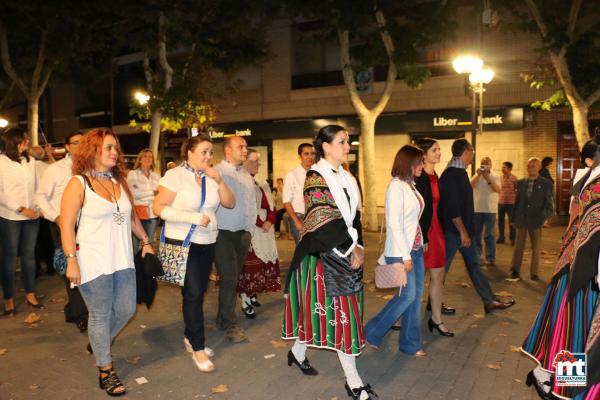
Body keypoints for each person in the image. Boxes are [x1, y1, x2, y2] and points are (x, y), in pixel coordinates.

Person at [282, 125, 374, 400]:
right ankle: (353, 382)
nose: (348, 147)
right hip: (323, 257)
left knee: (323, 313)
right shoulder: (315, 177)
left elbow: (354, 216)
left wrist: (359, 245)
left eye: (349, 142)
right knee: (343, 318)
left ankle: (298, 353)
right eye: (343, 142)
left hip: (343, 253)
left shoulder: (346, 176)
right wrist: (351, 249)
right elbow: (324, 222)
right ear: (326, 145)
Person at [60, 128, 154, 396]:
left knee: (126, 310)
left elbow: (131, 216)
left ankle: (98, 341)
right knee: (100, 316)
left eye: (116, 147)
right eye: (109, 147)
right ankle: (106, 371)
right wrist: (71, 260)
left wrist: (145, 240)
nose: (115, 152)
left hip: (123, 259)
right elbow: (66, 225)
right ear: (93, 151)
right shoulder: (78, 183)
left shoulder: (119, 181)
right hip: (93, 260)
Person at [520, 142, 599, 399]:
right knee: (574, 329)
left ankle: (544, 375)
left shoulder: (585, 182)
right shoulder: (591, 185)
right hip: (581, 272)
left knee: (566, 327)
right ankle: (561, 388)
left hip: (573, 268)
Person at [153, 135, 234, 373]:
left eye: (211, 152)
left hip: (208, 241)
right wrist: (192, 218)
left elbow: (229, 203)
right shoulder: (175, 175)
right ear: (189, 152)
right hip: (183, 243)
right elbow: (158, 208)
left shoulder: (211, 177)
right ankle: (197, 347)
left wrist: (219, 180)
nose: (209, 157)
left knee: (197, 293)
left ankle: (190, 336)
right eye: (204, 152)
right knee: (194, 293)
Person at [365, 144, 430, 356]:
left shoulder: (410, 185)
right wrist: (405, 256)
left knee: (415, 296)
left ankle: (410, 344)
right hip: (402, 251)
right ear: (408, 163)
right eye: (419, 162)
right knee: (406, 297)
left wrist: (421, 241)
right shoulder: (396, 187)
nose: (423, 165)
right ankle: (371, 332)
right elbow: (393, 223)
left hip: (416, 249)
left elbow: (412, 220)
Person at [439, 139, 515, 314]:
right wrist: (463, 232)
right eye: (472, 151)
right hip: (455, 233)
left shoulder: (459, 172)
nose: (473, 155)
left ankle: (489, 301)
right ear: (466, 151)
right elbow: (452, 207)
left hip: (463, 232)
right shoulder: (452, 174)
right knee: (441, 270)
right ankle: (434, 303)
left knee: (474, 267)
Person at [35, 131, 89, 331]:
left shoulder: (91, 167)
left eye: (84, 142)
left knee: (88, 266)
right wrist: (55, 217)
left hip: (89, 224)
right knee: (72, 266)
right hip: (63, 224)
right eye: (76, 143)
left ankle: (74, 308)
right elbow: (40, 197)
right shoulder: (55, 169)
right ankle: (81, 314)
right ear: (67, 147)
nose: (80, 146)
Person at [214, 136, 257, 343]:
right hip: (222, 233)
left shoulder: (245, 174)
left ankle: (222, 319)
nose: (245, 150)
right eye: (241, 147)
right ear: (228, 150)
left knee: (232, 280)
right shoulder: (217, 172)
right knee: (230, 278)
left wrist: (250, 230)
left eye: (246, 147)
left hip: (242, 234)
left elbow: (250, 204)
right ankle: (229, 323)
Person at [0, 128, 44, 315]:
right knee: (9, 258)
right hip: (11, 216)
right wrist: (20, 208)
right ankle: (8, 298)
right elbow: (1, 193)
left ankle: (30, 293)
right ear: (15, 142)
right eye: (24, 140)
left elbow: (37, 186)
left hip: (31, 216)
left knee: (29, 256)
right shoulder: (1, 162)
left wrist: (38, 209)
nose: (27, 142)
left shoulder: (30, 161)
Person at [414, 138, 454, 336]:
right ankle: (401, 317)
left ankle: (436, 319)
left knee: (438, 276)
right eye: (435, 150)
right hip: (423, 232)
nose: (439, 153)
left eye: (439, 149)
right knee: (415, 278)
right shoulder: (418, 177)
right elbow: (418, 211)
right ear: (424, 154)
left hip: (437, 231)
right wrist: (423, 238)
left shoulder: (434, 175)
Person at [237, 149, 281, 318]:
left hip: (265, 228)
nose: (259, 164)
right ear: (245, 162)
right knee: (250, 266)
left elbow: (271, 204)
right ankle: (245, 300)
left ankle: (253, 294)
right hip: (251, 227)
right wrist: (261, 222)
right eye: (255, 161)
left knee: (262, 264)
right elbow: (244, 208)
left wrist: (270, 219)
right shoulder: (240, 181)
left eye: (259, 161)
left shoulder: (262, 181)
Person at [508, 158, 554, 281]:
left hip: (536, 220)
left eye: (533, 166)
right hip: (521, 219)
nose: (531, 168)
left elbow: (549, 204)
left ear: (539, 167)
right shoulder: (521, 182)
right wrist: (512, 218)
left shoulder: (546, 183)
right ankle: (515, 270)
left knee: (536, 248)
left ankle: (534, 273)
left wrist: (545, 218)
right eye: (529, 166)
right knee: (518, 247)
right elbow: (516, 202)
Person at [127, 149, 160, 253]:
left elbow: (160, 193)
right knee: (135, 244)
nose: (148, 159)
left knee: (148, 243)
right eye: (145, 156)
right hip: (138, 214)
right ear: (140, 159)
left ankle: (146, 266)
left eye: (150, 157)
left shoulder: (156, 175)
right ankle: (135, 267)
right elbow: (134, 194)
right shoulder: (133, 174)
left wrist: (146, 193)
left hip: (153, 214)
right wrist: (153, 193)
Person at [470, 157, 501, 267]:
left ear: (491, 165)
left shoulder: (495, 176)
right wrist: (478, 175)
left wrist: (488, 178)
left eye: (486, 163)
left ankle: (491, 257)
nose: (484, 165)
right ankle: (477, 256)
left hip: (490, 210)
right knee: (476, 235)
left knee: (489, 235)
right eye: (482, 163)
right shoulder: (476, 175)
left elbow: (498, 189)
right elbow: (470, 186)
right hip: (477, 209)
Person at [282, 143, 315, 244]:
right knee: (303, 251)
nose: (310, 157)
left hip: (315, 217)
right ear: (299, 156)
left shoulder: (317, 174)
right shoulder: (292, 175)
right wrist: (296, 221)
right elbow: (286, 201)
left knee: (315, 251)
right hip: (299, 217)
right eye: (306, 154)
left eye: (312, 154)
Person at [497, 161, 518, 245]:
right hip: (501, 202)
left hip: (511, 203)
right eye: (502, 167)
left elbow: (517, 190)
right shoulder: (500, 178)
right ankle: (501, 237)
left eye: (504, 167)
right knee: (500, 222)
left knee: (511, 221)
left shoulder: (514, 178)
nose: (502, 169)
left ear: (510, 168)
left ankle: (513, 239)